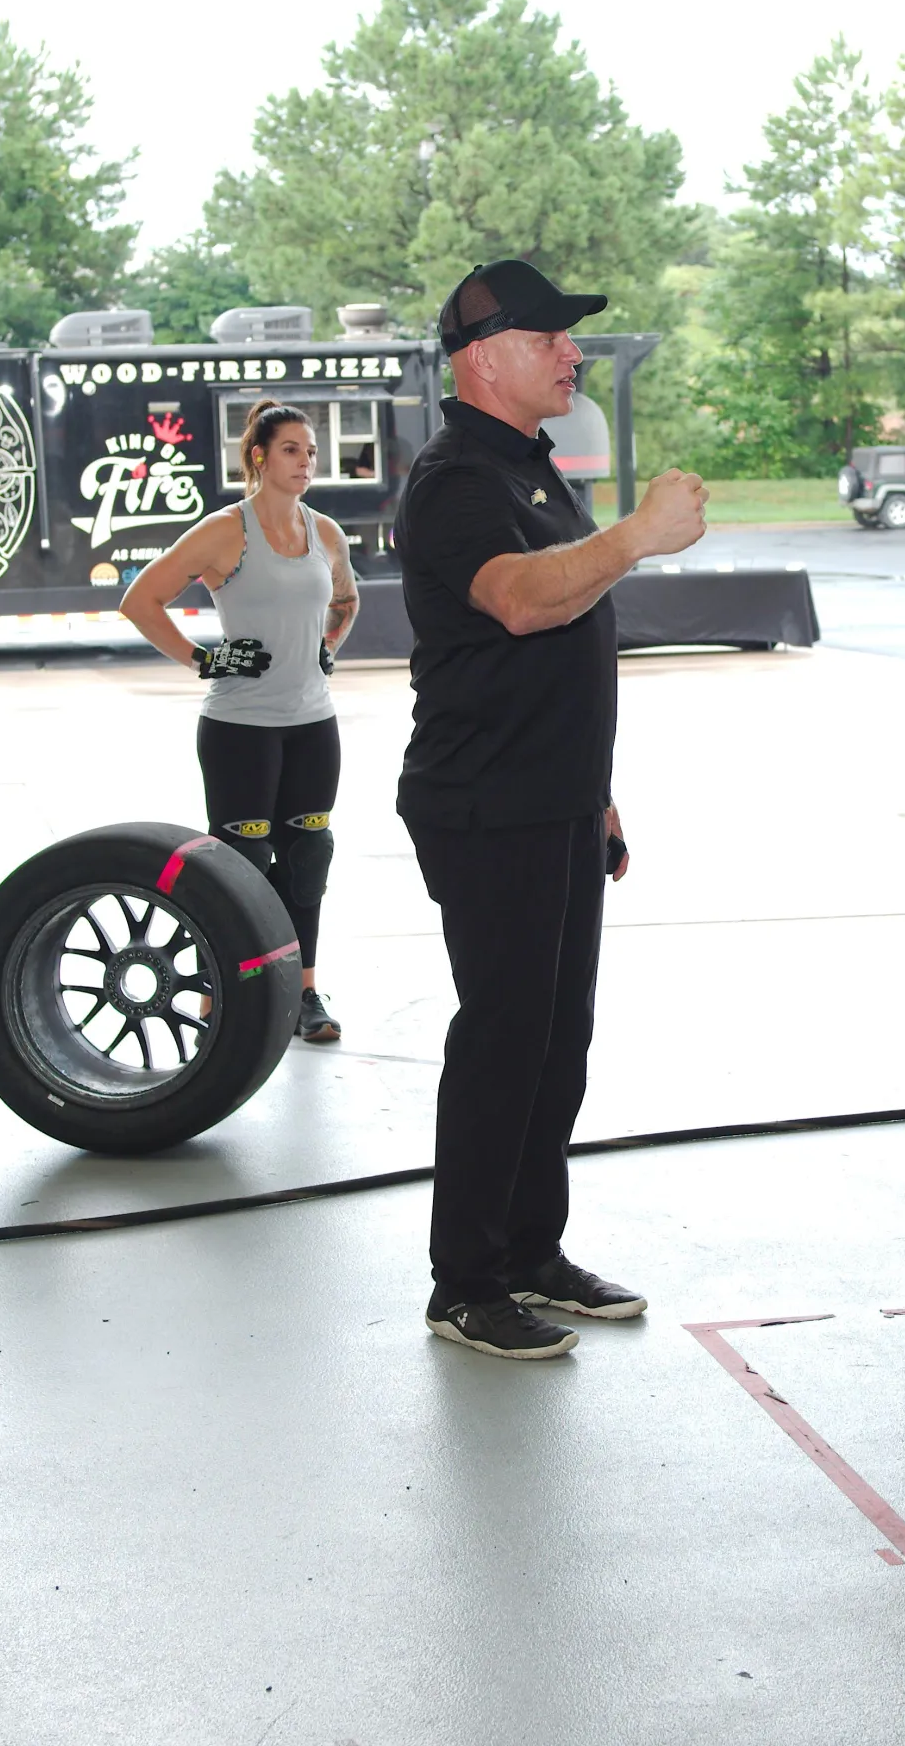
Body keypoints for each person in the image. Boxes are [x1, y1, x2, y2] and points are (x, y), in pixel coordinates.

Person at [394, 259, 708, 1359]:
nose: (573, 352)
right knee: (504, 1039)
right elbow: (524, 603)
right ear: (486, 357)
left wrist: (598, 793)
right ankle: (465, 1284)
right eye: (551, 336)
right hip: (487, 806)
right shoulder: (454, 480)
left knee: (557, 1038)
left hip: (558, 800)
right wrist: (638, 535)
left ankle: (531, 1250)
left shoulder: (528, 467)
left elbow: (567, 630)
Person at [119, 398, 359, 1042]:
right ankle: (216, 991)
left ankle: (304, 994)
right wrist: (203, 658)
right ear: (259, 456)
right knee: (240, 862)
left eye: (311, 451)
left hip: (313, 723)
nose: (306, 461)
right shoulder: (226, 532)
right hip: (239, 727)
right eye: (291, 450)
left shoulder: (325, 533)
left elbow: (345, 599)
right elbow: (140, 600)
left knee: (308, 857)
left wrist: (327, 646)